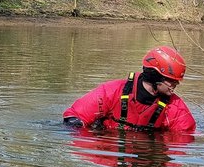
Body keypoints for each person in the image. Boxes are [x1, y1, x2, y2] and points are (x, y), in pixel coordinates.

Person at [62, 45, 195, 133]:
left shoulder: (176, 107)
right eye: (171, 80)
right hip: (110, 145)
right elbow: (75, 116)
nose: (176, 84)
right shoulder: (112, 91)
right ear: (155, 76)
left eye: (177, 81)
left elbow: (186, 136)